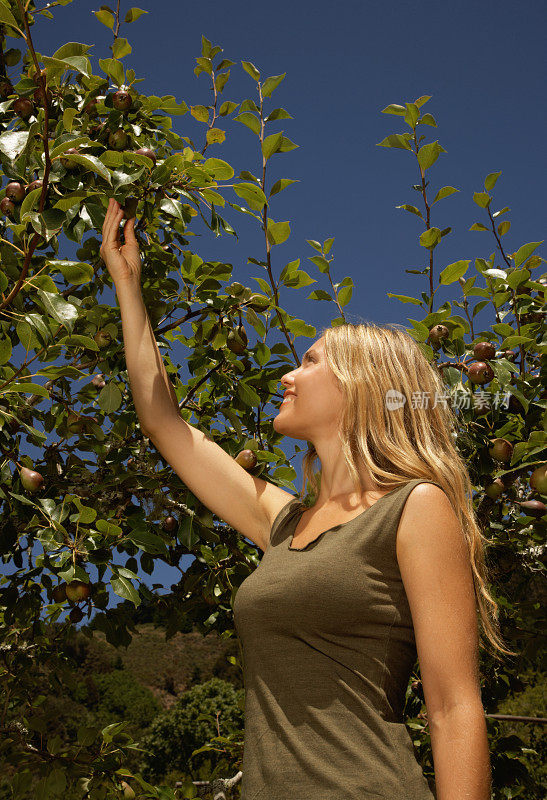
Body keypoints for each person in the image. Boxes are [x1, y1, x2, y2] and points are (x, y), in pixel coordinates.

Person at [100, 199, 512, 799]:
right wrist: (127, 285)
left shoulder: (414, 508)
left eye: (311, 360)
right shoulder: (283, 522)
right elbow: (166, 424)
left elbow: (453, 709)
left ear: (362, 387)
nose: (288, 374)